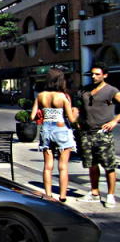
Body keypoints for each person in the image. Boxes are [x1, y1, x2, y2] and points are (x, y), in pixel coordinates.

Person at [76, 62, 120, 208]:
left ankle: (110, 195)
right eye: (92, 74)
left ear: (105, 75)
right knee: (92, 164)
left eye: (97, 74)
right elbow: (79, 108)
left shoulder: (111, 90)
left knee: (108, 165)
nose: (94, 77)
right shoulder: (85, 90)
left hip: (103, 133)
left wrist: (114, 121)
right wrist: (77, 121)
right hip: (86, 133)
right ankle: (94, 193)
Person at [30, 67, 77, 202]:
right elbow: (71, 119)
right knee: (63, 166)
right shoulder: (62, 97)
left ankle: (48, 194)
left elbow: (32, 116)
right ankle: (62, 196)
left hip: (46, 129)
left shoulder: (41, 96)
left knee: (47, 166)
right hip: (61, 129)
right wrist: (75, 111)